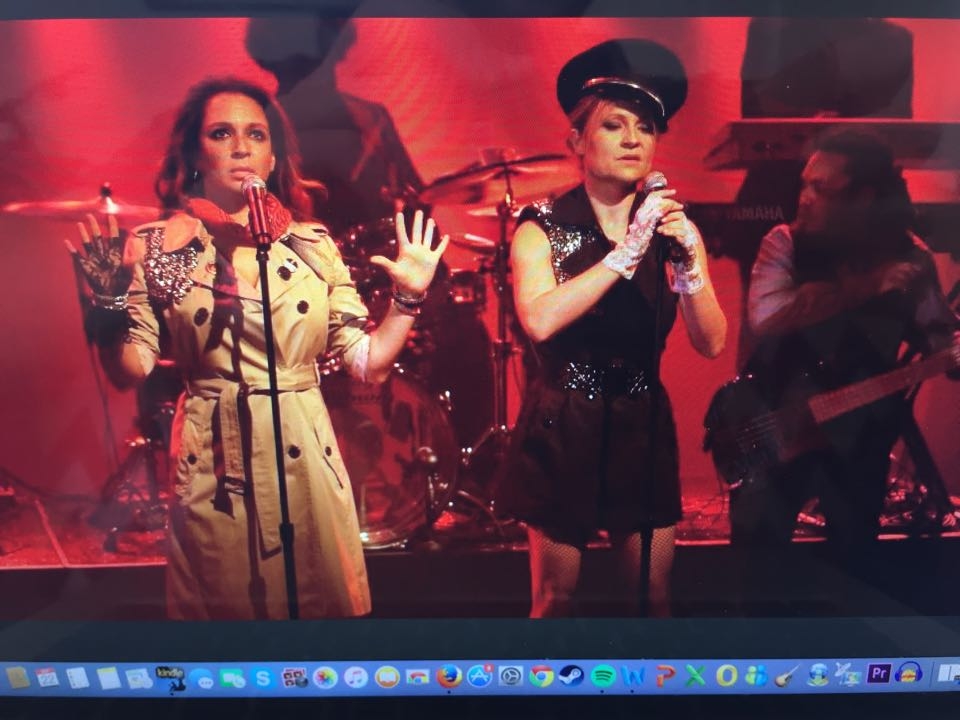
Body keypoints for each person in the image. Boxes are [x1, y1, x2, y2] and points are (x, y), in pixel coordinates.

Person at [68, 77, 448, 619]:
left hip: (304, 452)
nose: (241, 147)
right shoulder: (158, 246)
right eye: (221, 133)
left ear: (273, 158)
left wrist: (407, 299)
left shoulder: (313, 246)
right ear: (194, 154)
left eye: (256, 134)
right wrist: (106, 311)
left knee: (318, 624)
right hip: (214, 458)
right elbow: (131, 369)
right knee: (226, 625)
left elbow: (368, 364)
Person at [497, 40, 727, 618]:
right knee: (556, 597)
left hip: (640, 422)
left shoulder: (671, 228)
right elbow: (539, 319)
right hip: (564, 420)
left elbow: (712, 342)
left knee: (651, 595)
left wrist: (690, 263)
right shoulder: (542, 226)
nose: (633, 140)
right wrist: (626, 253)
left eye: (645, 128)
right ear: (577, 141)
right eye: (614, 125)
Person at [729, 130, 960, 612]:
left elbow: (937, 337)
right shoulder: (783, 243)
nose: (804, 198)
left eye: (821, 188)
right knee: (756, 569)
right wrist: (865, 289)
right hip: (777, 430)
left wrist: (952, 351)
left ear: (864, 196)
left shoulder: (911, 258)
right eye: (804, 184)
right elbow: (767, 317)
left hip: (859, 438)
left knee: (854, 571)